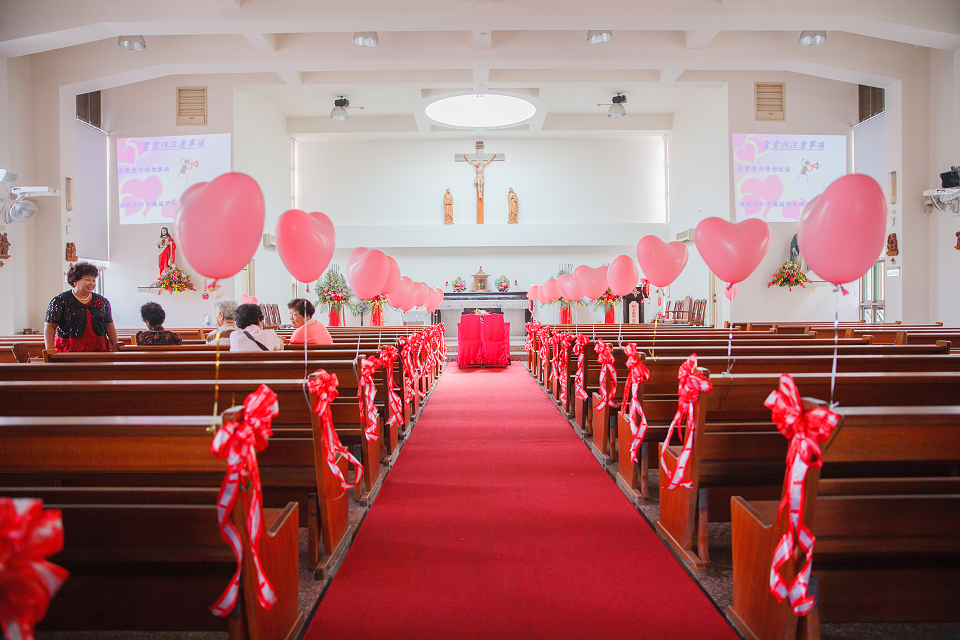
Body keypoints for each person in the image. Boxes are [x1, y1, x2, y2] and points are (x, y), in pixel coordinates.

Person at [44, 261, 119, 352]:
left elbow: (109, 325)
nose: (91, 283)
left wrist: (116, 347)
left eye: (93, 280)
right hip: (69, 349)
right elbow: (50, 326)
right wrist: (49, 350)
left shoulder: (103, 301)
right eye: (87, 279)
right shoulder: (61, 301)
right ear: (75, 281)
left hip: (98, 348)